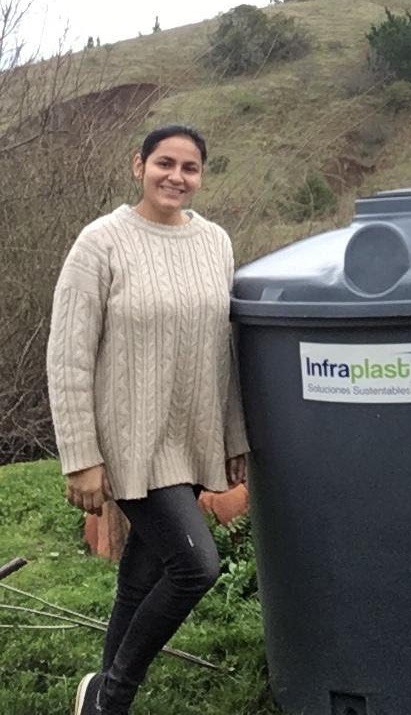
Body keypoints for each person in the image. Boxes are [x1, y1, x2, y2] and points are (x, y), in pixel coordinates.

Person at [47, 124, 250, 714]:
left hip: (189, 438)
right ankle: (112, 698)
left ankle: (100, 699)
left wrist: (231, 435)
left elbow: (225, 350)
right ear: (138, 165)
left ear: (201, 176)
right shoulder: (101, 242)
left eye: (190, 168)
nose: (176, 177)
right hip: (128, 443)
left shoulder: (216, 243)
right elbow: (68, 354)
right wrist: (81, 456)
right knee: (195, 566)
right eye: (165, 163)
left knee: (140, 578)